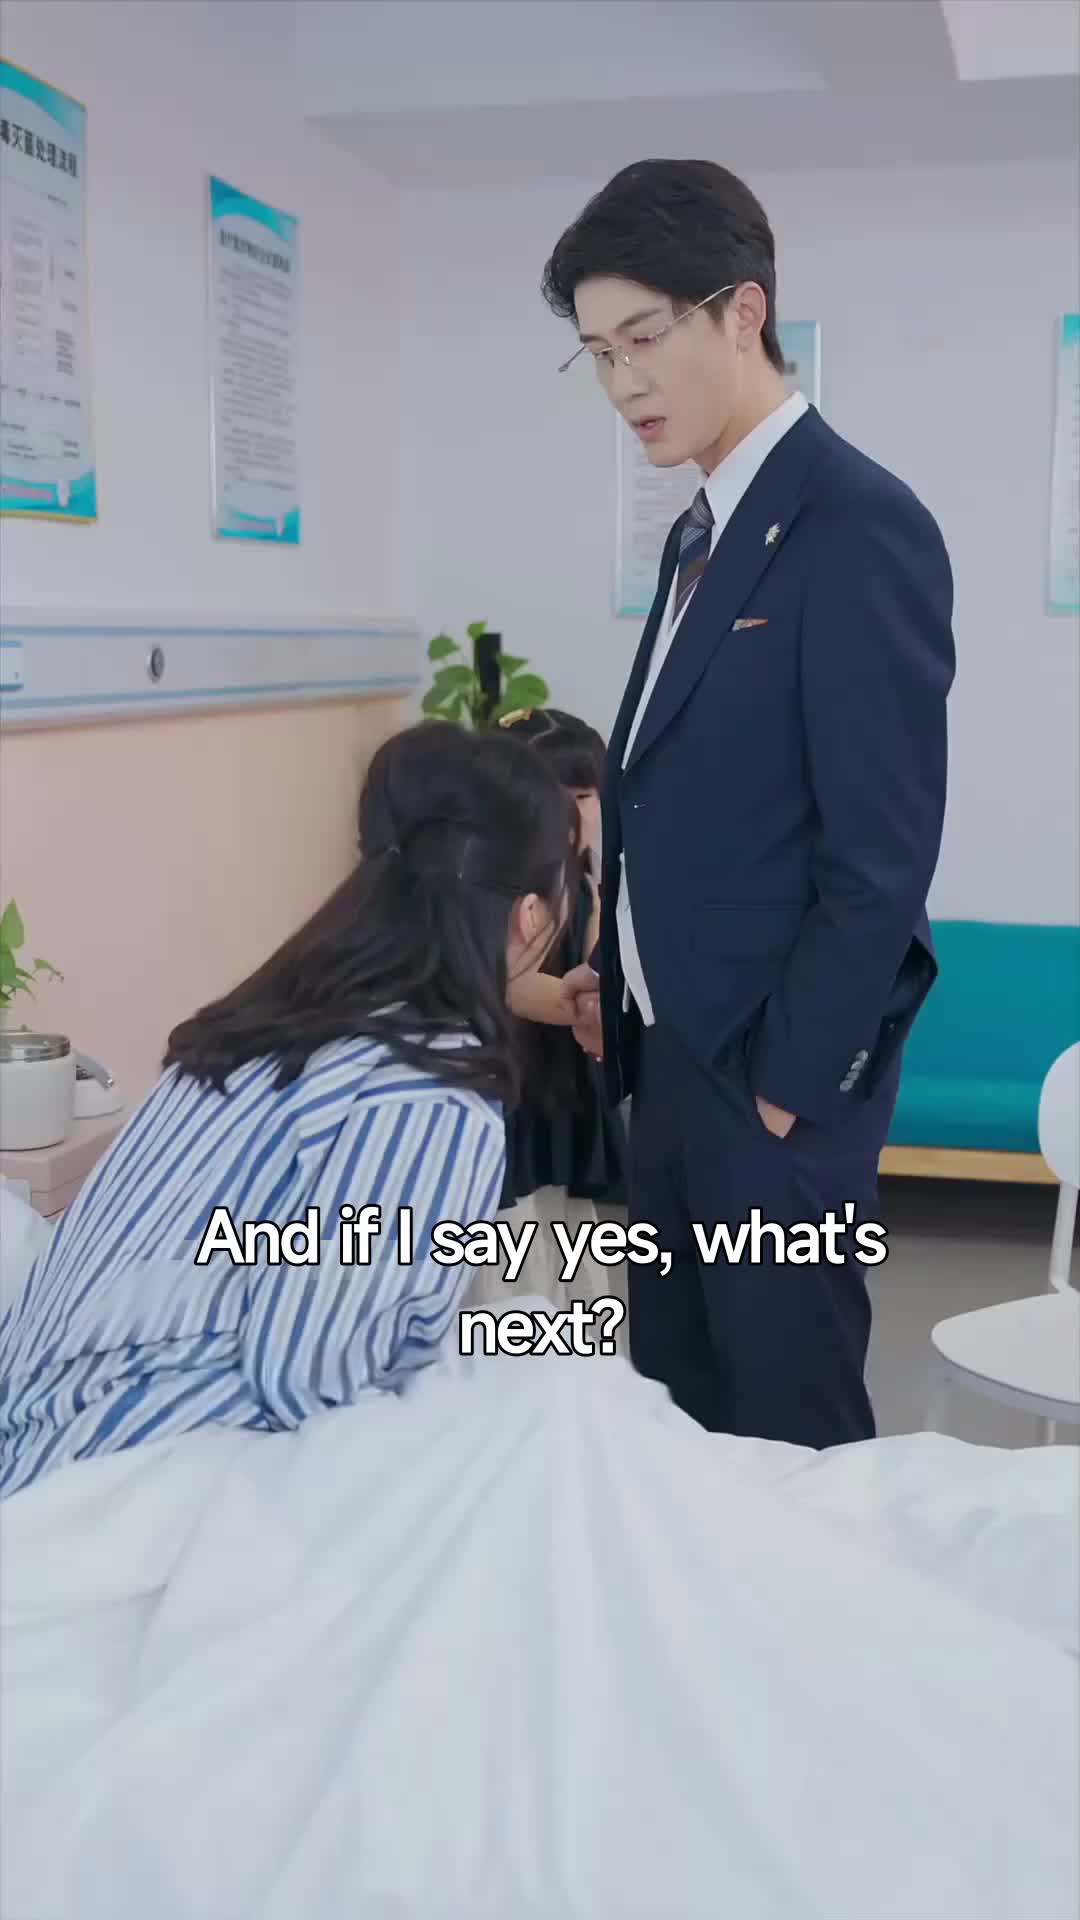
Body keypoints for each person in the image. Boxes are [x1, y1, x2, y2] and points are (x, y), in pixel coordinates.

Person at [543, 159, 956, 1449]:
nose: (623, 384)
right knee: (680, 1416)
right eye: (597, 355)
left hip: (771, 1084)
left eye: (644, 338)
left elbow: (880, 854)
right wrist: (620, 972)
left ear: (743, 311)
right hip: (670, 1061)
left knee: (791, 1431)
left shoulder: (856, 522)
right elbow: (679, 793)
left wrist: (791, 1088)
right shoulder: (701, 529)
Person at [0, 722, 570, 1499]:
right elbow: (312, 1375)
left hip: (38, 1430)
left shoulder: (269, 1020)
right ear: (532, 915)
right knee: (557, 1420)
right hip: (121, 1475)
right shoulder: (429, 1091)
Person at [461, 707, 628, 1328]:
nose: (572, 814)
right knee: (515, 1259)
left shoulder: (587, 880)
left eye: (585, 796)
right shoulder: (499, 890)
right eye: (554, 798)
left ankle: (575, 1362)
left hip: (563, 1093)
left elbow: (598, 960)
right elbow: (509, 986)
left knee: (569, 1249)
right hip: (510, 1095)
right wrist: (583, 1005)